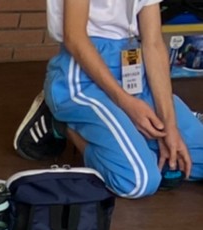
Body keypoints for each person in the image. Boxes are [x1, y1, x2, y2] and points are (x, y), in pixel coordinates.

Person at [12, 0, 203, 196]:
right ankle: (62, 126)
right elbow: (74, 38)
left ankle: (133, 145)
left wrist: (169, 125)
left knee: (189, 156)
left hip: (132, 70)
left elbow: (153, 42)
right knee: (138, 181)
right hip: (83, 78)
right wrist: (126, 103)